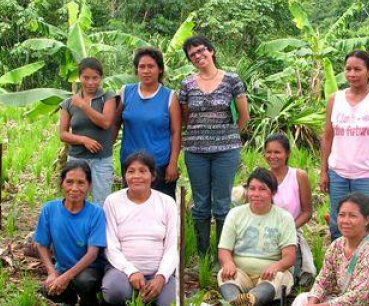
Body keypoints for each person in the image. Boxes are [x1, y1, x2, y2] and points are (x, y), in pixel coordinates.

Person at [180, 35, 250, 258]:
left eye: (201, 51)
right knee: (200, 205)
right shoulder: (187, 84)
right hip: (196, 152)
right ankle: (203, 256)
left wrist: (227, 137)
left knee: (222, 205)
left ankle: (223, 255)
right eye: (192, 55)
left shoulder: (232, 80)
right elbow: (185, 119)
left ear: (211, 51)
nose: (198, 56)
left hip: (226, 152)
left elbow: (244, 116)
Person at [319, 50, 369, 240]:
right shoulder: (335, 99)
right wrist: (324, 171)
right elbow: (327, 137)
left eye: (358, 69)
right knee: (338, 222)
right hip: (338, 173)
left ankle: (367, 265)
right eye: (348, 69)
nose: (352, 74)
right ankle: (339, 265)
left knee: (368, 223)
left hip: (368, 174)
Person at [101, 151, 180, 306]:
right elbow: (111, 245)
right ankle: (133, 299)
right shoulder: (113, 201)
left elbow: (173, 247)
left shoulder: (167, 202)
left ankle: (149, 298)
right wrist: (131, 271)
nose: (136, 176)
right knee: (114, 291)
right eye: (131, 171)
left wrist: (161, 277)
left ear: (152, 176)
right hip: (122, 271)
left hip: (157, 272)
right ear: (124, 175)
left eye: (143, 171)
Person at [35, 160, 107, 306]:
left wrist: (65, 277)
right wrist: (52, 273)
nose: (75, 188)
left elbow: (92, 254)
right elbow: (41, 244)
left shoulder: (96, 213)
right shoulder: (49, 209)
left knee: (84, 281)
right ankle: (69, 301)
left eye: (81, 183)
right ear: (61, 184)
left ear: (89, 186)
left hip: (90, 270)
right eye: (69, 182)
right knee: (48, 289)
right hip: (63, 267)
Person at [218, 168, 296, 306]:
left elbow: (289, 257)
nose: (256, 194)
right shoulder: (235, 214)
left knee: (280, 278)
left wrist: (276, 266)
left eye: (262, 189)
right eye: (252, 189)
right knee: (224, 274)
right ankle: (237, 305)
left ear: (272, 193)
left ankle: (246, 303)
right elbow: (224, 250)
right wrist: (228, 263)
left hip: (270, 274)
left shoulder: (284, 217)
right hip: (240, 272)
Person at [113, 47, 181, 199]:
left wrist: (173, 163)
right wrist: (105, 153)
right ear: (137, 70)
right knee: (132, 208)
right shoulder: (126, 92)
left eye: (151, 66)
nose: (146, 71)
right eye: (142, 67)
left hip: (160, 165)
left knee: (161, 209)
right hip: (131, 165)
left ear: (160, 70)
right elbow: (115, 124)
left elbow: (176, 132)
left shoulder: (169, 97)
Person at [59, 58, 117, 206]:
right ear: (80, 78)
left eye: (95, 78)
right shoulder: (68, 103)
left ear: (101, 78)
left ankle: (99, 229)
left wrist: (83, 106)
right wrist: (84, 140)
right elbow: (63, 134)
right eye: (86, 78)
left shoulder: (108, 97)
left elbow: (105, 123)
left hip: (102, 160)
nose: (90, 82)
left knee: (102, 202)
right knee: (76, 199)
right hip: (77, 159)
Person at [264, 133, 316, 286]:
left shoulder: (298, 176)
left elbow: (307, 212)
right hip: (265, 232)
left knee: (290, 279)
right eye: (269, 152)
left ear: (287, 154)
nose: (272, 156)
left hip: (291, 232)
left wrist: (288, 228)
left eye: (277, 152)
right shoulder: (263, 177)